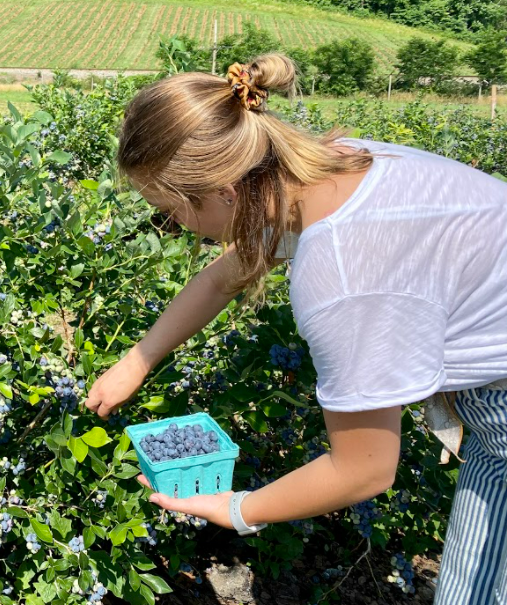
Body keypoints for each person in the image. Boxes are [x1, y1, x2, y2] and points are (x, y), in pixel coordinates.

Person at [83, 54, 507, 604]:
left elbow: (364, 470)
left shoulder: (344, 270)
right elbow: (220, 280)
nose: (175, 230)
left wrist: (237, 508)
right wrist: (137, 359)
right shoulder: (333, 167)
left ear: (224, 192)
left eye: (169, 212)